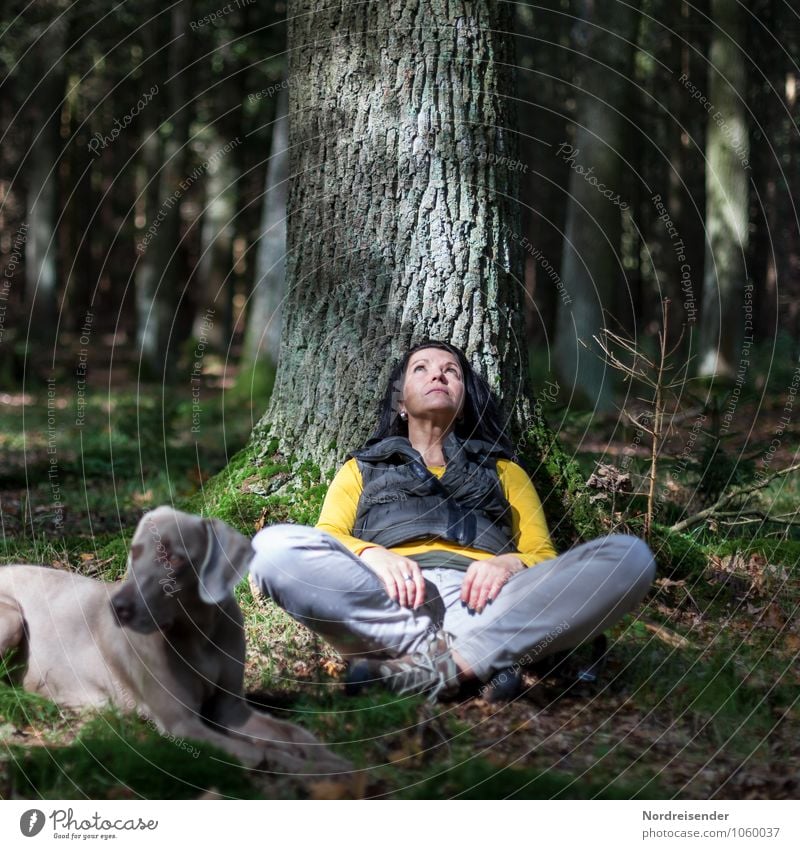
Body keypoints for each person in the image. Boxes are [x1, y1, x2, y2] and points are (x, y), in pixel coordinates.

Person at [249, 340, 656, 701]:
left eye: (451, 372)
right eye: (421, 369)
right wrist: (374, 554)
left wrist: (508, 562)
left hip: (487, 603)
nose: (438, 375)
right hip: (392, 602)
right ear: (401, 404)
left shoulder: (504, 470)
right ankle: (474, 663)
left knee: (629, 557)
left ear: (464, 404)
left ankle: (436, 666)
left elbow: (541, 553)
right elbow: (329, 536)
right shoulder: (362, 468)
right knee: (271, 548)